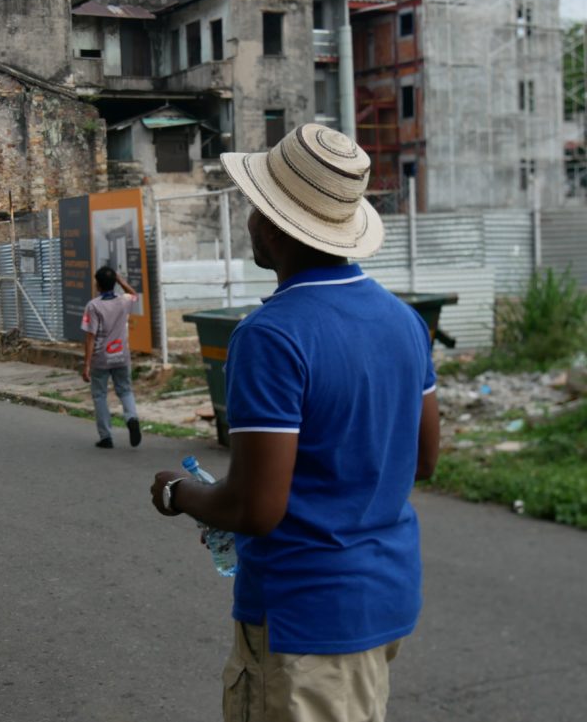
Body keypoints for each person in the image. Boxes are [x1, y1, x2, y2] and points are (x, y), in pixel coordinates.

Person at [150, 124, 440, 722]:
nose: (252, 218)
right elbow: (424, 460)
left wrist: (181, 494)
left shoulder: (271, 336)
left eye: (258, 207)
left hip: (303, 617)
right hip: (385, 598)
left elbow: (257, 510)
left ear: (277, 225)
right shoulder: (404, 321)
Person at [81, 266, 142, 449]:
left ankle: (106, 436)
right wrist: (121, 281)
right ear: (114, 283)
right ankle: (131, 417)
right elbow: (134, 295)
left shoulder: (93, 306)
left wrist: (87, 365)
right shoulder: (123, 301)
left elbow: (90, 337)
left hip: (101, 358)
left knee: (99, 395)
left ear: (98, 285)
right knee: (125, 390)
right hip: (121, 356)